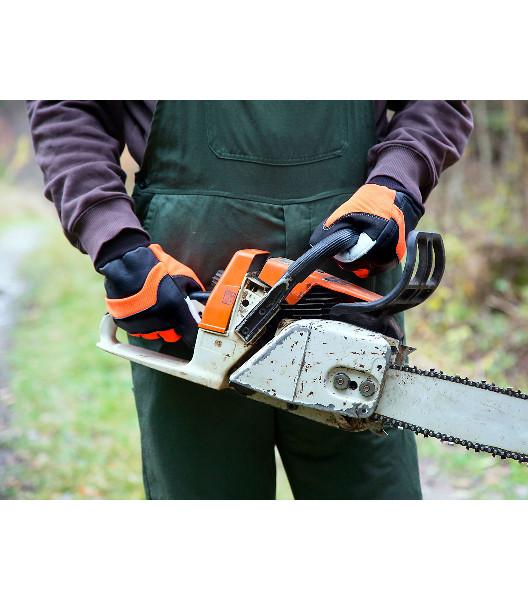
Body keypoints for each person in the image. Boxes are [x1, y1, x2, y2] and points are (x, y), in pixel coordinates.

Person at [27, 101, 473, 500]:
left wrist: (397, 181)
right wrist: (115, 240)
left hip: (349, 256)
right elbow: (66, 107)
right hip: (187, 290)